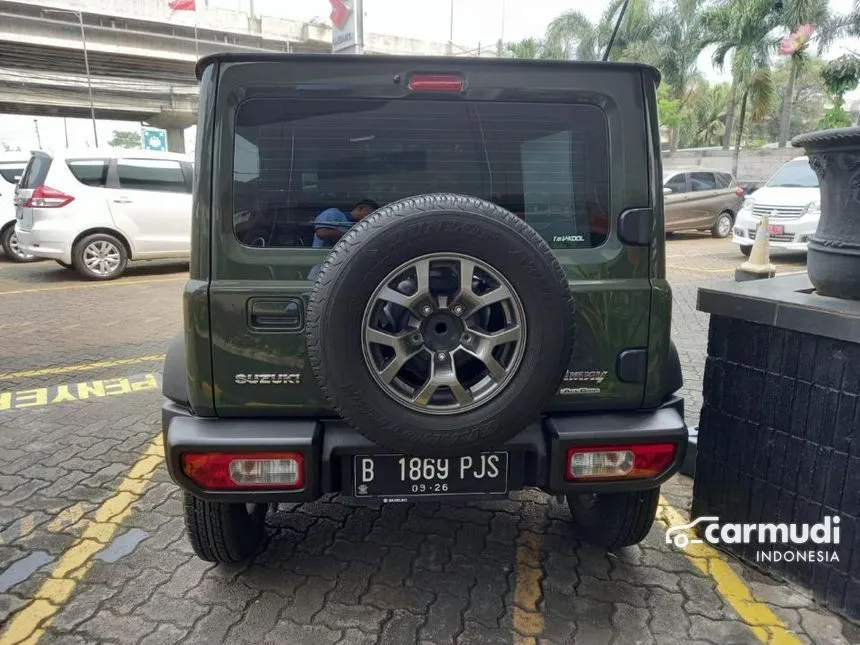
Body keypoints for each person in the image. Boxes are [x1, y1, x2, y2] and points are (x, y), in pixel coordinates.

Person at [312, 199, 380, 248]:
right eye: (370, 214)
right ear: (361, 208)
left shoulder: (359, 227)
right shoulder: (333, 213)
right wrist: (355, 237)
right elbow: (322, 233)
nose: (371, 218)